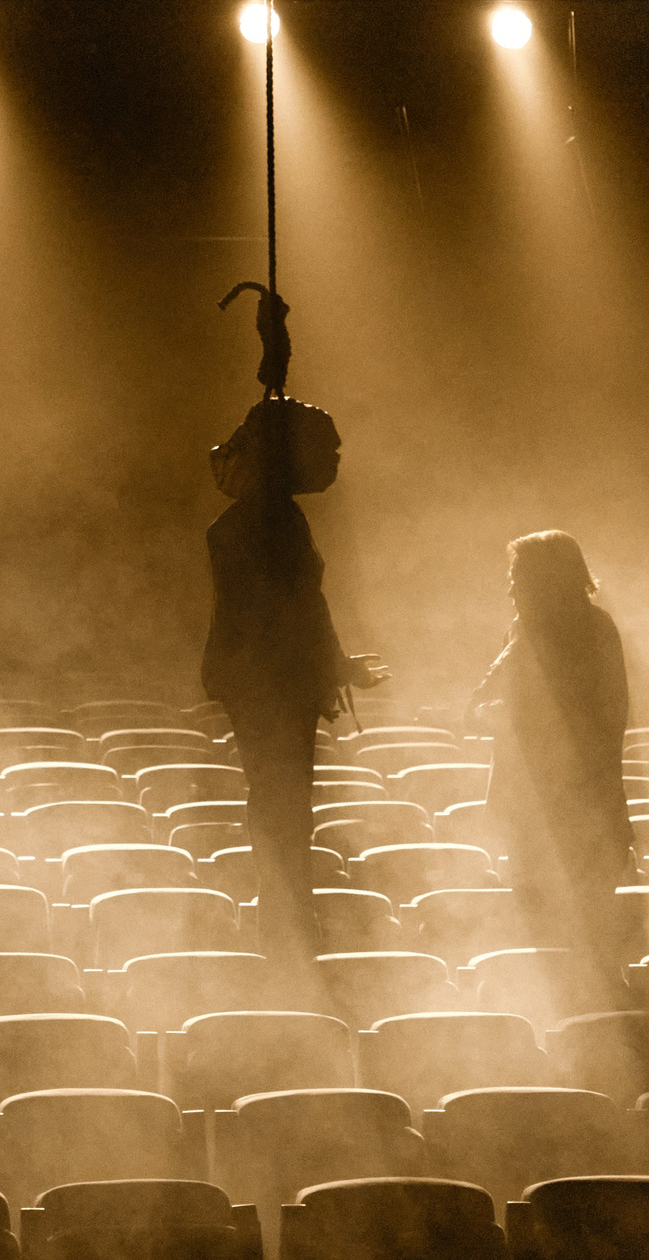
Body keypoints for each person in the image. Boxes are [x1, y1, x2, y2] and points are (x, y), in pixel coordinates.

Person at [202, 395, 387, 971]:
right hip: (270, 683)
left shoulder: (264, 516)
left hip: (268, 679)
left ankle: (285, 926)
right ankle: (286, 932)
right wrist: (330, 663)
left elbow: (302, 605)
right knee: (284, 807)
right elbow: (294, 606)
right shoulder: (271, 519)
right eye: (322, 445)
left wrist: (335, 663)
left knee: (282, 805)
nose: (333, 456)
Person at [466, 530, 637, 996]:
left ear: (548, 582)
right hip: (530, 820)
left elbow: (603, 723)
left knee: (589, 947)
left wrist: (515, 721)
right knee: (544, 949)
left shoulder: (595, 632)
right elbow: (491, 703)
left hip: (584, 823)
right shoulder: (520, 633)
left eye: (517, 578)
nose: (510, 590)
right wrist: (492, 714)